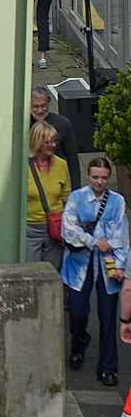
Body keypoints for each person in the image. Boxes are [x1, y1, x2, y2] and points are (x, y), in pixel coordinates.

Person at [64, 156, 128, 386]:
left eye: (103, 177)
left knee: (108, 315)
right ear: (88, 176)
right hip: (79, 264)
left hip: (107, 264)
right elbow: (68, 231)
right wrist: (94, 241)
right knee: (78, 313)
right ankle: (79, 343)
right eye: (95, 177)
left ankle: (108, 367)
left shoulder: (117, 201)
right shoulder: (76, 198)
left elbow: (121, 236)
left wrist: (120, 266)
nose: (99, 181)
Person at [25, 120, 71, 265]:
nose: (53, 145)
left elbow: (67, 196)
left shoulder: (61, 164)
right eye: (48, 142)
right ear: (37, 142)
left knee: (51, 273)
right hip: (30, 229)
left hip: (55, 228)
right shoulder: (23, 166)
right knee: (31, 273)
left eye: (54, 141)